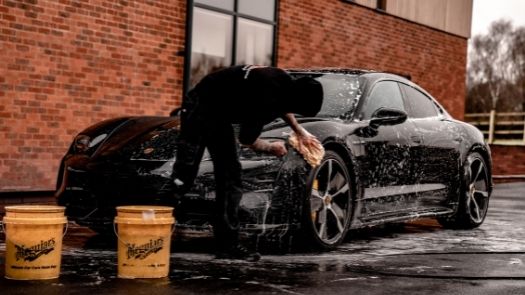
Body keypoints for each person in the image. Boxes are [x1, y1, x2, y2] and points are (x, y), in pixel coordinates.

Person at [171, 65, 324, 261]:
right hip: (198, 105)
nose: (294, 112)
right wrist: (271, 147)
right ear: (293, 101)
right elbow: (247, 140)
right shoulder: (265, 100)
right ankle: (151, 227)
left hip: (219, 114)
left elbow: (284, 105)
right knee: (185, 174)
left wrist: (300, 132)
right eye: (298, 110)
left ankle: (228, 245)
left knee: (230, 176)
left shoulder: (283, 79)